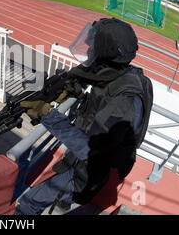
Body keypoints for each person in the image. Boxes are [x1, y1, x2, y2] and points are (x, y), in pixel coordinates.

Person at [14, 17, 153, 215]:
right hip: (88, 161)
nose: (89, 50)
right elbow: (96, 83)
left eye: (94, 46)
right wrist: (75, 89)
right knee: (64, 197)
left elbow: (90, 149)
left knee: (28, 203)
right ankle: (63, 202)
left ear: (107, 54)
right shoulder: (121, 74)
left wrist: (47, 114)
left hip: (89, 169)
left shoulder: (124, 102)